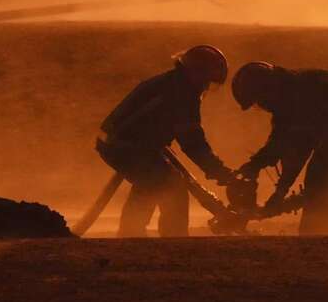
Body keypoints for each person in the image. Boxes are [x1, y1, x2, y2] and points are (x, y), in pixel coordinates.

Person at [95, 45, 235, 237]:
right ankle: (170, 238)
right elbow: (192, 142)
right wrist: (218, 171)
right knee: (169, 185)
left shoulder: (172, 82)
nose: (205, 87)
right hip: (124, 145)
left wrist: (217, 171)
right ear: (195, 72)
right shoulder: (182, 93)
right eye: (205, 81)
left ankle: (132, 234)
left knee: (153, 180)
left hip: (129, 143)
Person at [230, 62, 328, 234]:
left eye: (259, 101)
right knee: (321, 179)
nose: (263, 107)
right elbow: (278, 142)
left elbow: (302, 148)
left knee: (323, 179)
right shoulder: (286, 96)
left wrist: (280, 191)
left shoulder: (299, 96)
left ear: (267, 89)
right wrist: (255, 165)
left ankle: (324, 232)